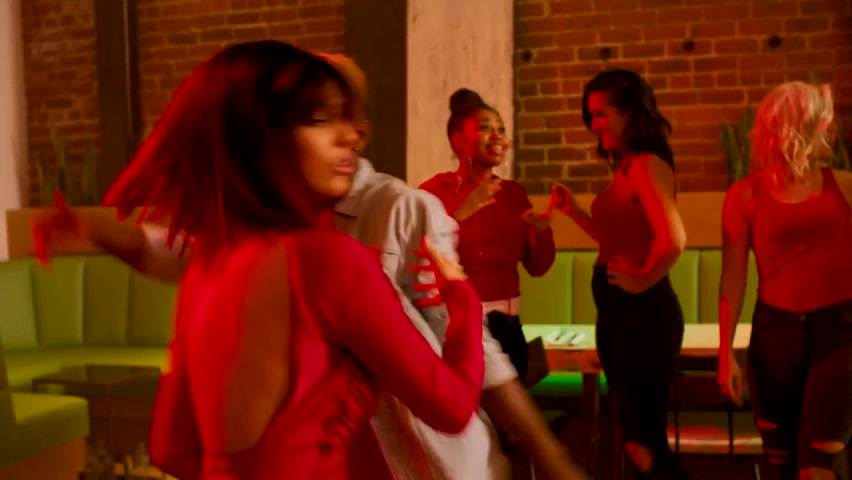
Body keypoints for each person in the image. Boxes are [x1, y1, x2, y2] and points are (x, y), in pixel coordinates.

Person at [34, 53, 588, 480]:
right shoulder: (317, 256)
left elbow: (174, 447)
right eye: (319, 117)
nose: (350, 134)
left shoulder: (220, 255)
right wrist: (462, 296)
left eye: (348, 115)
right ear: (263, 137)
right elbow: (451, 401)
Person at [549, 68, 689, 478]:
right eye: (590, 116)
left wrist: (641, 280)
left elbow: (674, 239)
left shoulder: (646, 164)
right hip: (620, 316)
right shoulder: (628, 164)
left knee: (644, 443)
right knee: (638, 440)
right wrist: (576, 212)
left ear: (629, 112)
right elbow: (617, 240)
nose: (593, 125)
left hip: (643, 318)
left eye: (600, 114)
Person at [717, 81, 852, 480]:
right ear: (802, 126)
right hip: (774, 338)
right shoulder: (744, 195)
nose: (833, 131)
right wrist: (725, 352)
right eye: (826, 122)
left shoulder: (844, 186)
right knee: (781, 465)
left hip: (840, 334)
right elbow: (733, 278)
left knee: (819, 464)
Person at [420, 88, 556, 383]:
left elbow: (537, 268)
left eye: (501, 130)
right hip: (458, 330)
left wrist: (542, 234)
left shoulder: (513, 194)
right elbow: (420, 258)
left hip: (510, 328)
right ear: (458, 140)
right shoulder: (433, 192)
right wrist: (461, 210)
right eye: (485, 128)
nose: (497, 137)